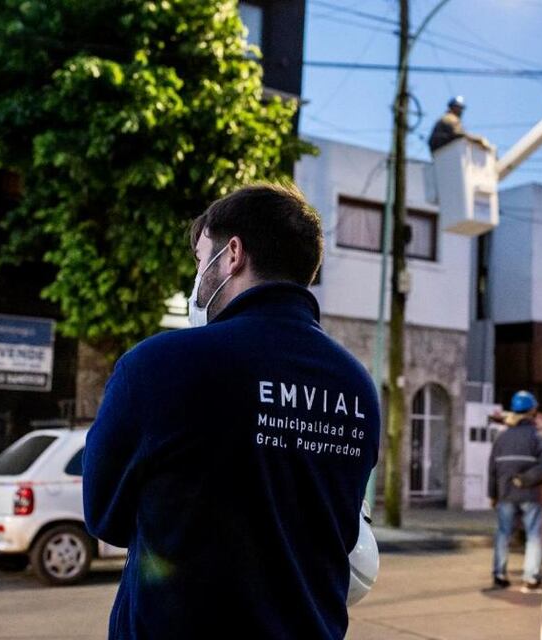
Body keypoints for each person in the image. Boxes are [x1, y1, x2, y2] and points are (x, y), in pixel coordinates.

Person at [83, 183, 381, 639]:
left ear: (233, 254)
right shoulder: (357, 386)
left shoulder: (157, 365)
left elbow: (105, 518)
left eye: (202, 260)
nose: (198, 277)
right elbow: (343, 535)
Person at [487, 390, 542, 592]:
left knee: (503, 534)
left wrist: (492, 494)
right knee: (534, 535)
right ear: (533, 410)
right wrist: (526, 480)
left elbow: (492, 469)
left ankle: (499, 575)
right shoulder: (538, 437)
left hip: (505, 494)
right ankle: (531, 578)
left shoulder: (502, 437)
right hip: (530, 495)